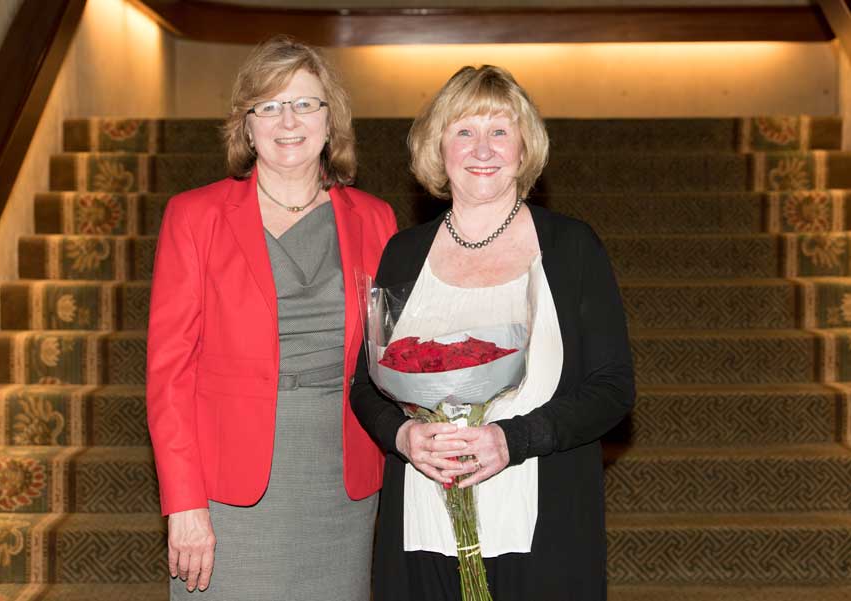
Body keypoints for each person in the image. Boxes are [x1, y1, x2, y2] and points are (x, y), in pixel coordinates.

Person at [350, 64, 635, 600]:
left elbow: (613, 389)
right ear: (438, 149)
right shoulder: (403, 252)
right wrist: (404, 436)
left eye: (499, 131)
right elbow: (365, 386)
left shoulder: (573, 248)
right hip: (422, 525)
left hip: (544, 531)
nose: (483, 148)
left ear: (525, 149)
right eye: (464, 131)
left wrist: (512, 440)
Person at [146, 36, 397, 601]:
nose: (289, 120)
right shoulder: (194, 217)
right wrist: (184, 501)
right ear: (247, 124)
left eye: (306, 103)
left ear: (331, 120)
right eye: (269, 105)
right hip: (225, 482)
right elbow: (169, 374)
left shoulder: (375, 219)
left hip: (343, 478)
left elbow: (390, 352)